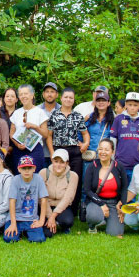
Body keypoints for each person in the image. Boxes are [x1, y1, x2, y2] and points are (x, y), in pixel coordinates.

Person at [47, 87, 88, 215]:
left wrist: (86, 143)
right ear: (61, 98)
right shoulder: (54, 115)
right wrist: (52, 152)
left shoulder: (78, 116)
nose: (68, 100)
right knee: (57, 179)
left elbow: (85, 133)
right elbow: (49, 136)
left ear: (74, 100)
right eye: (66, 97)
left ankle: (72, 210)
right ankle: (55, 207)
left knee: (75, 180)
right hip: (59, 150)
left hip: (74, 152)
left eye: (71, 98)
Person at [84, 139, 128, 236]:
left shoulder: (119, 167)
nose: (103, 152)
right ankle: (93, 225)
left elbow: (124, 188)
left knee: (115, 232)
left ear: (113, 152)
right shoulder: (92, 166)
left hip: (113, 203)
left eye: (106, 150)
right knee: (93, 216)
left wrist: (122, 204)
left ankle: (107, 220)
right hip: (96, 201)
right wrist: (101, 204)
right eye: (100, 149)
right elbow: (87, 190)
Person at [3, 155, 48, 243]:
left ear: (34, 168)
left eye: (29, 168)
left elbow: (44, 199)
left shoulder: (38, 179)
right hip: (17, 218)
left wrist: (41, 221)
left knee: (39, 239)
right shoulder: (15, 180)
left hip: (31, 219)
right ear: (19, 169)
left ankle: (27, 232)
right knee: (9, 239)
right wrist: (13, 223)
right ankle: (20, 230)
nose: (27, 171)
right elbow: (12, 201)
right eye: (23, 168)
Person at [110, 92, 139, 185]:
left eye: (135, 105)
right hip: (120, 162)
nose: (132, 107)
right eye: (130, 104)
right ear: (125, 105)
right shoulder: (119, 119)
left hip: (137, 163)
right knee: (120, 187)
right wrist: (112, 157)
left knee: (134, 188)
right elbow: (113, 139)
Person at [10, 84, 49, 173]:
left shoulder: (40, 112)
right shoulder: (16, 113)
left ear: (32, 95)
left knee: (35, 174)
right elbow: (11, 133)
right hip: (19, 149)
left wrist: (35, 127)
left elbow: (46, 134)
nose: (23, 96)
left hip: (35, 148)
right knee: (19, 174)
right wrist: (17, 145)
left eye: (26, 93)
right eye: (21, 94)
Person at [39, 149, 78, 237]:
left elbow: (68, 198)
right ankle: (53, 223)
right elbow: (41, 198)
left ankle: (61, 224)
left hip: (62, 207)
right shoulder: (43, 173)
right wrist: (50, 216)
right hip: (46, 206)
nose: (58, 165)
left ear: (67, 163)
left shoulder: (73, 176)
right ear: (52, 161)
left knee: (67, 221)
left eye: (62, 162)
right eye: (56, 161)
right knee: (48, 234)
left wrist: (53, 216)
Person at [83, 90, 114, 175]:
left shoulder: (113, 120)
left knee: (103, 180)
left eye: (103, 100)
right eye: (98, 100)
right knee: (87, 180)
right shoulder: (89, 118)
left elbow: (114, 139)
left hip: (105, 157)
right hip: (90, 156)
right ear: (95, 103)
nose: (101, 103)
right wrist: (82, 144)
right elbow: (80, 133)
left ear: (108, 103)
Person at [38, 82, 61, 169]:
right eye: (47, 92)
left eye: (52, 92)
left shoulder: (63, 110)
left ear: (57, 94)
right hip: (41, 152)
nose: (49, 94)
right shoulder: (36, 110)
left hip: (59, 152)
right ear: (43, 94)